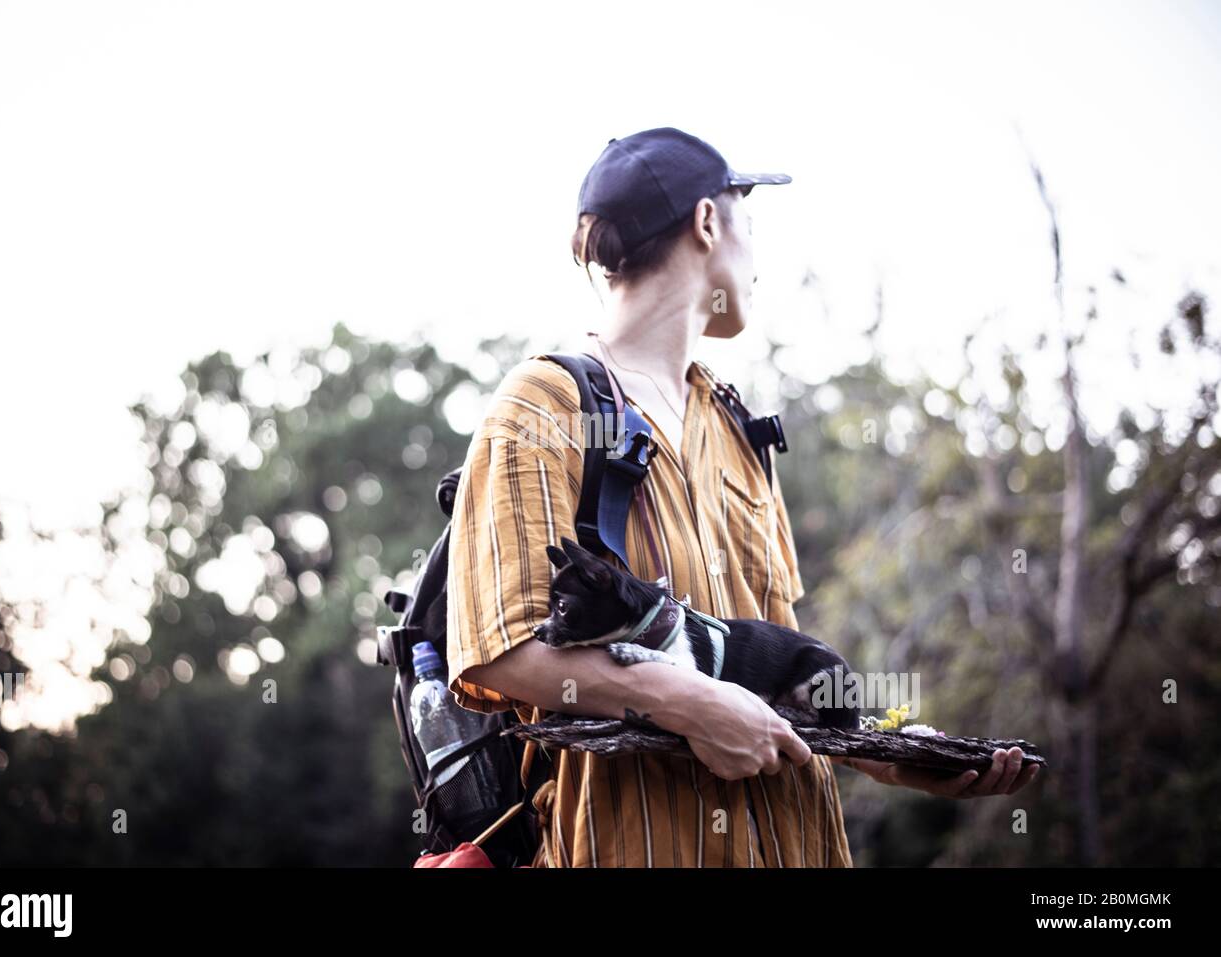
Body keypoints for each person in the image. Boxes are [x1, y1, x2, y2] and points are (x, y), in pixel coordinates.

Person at [445, 127, 1039, 868]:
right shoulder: (541, 404)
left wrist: (888, 748)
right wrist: (689, 703)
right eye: (748, 224)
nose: (757, 258)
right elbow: (499, 653)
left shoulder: (738, 425)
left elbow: (782, 672)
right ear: (706, 221)